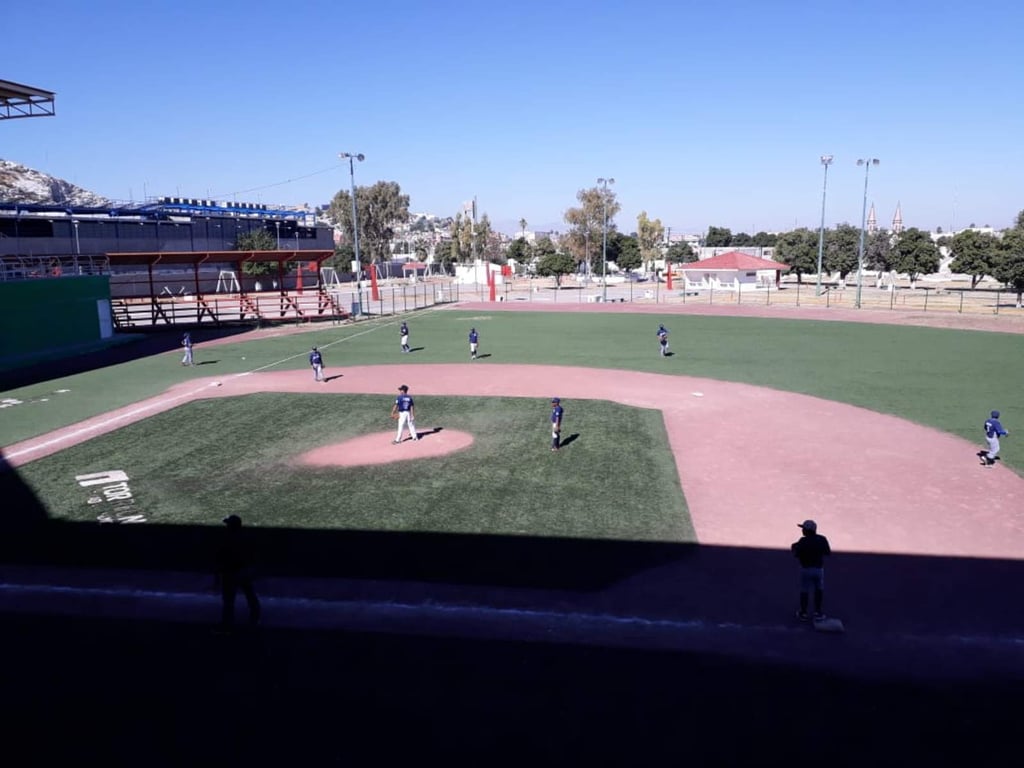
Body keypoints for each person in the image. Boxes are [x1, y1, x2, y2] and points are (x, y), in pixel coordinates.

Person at [215, 514, 261, 631]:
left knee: (229, 600)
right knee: (249, 595)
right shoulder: (245, 537)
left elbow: (222, 556)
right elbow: (253, 555)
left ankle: (228, 623)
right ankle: (255, 618)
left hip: (232, 572)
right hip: (243, 571)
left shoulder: (227, 539)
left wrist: (219, 573)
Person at [791, 519, 831, 621]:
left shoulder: (803, 541)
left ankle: (803, 613)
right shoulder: (822, 539)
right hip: (819, 569)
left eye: (803, 529)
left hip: (806, 569)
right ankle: (818, 612)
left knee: (804, 590)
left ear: (807, 531)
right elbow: (827, 552)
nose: (802, 530)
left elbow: (796, 554)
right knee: (819, 589)